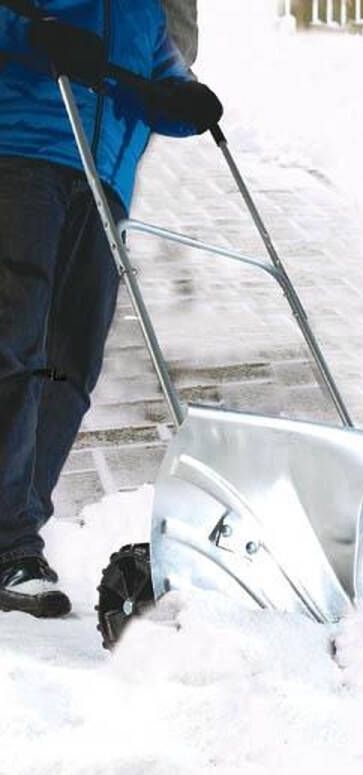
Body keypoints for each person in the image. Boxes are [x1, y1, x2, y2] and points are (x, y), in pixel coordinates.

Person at [0, 0, 222, 619]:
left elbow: (157, 69)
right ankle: (8, 544)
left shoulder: (144, 8)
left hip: (103, 179)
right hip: (22, 154)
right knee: (13, 349)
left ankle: (14, 527)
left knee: (70, 368)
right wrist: (32, 33)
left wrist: (184, 98)